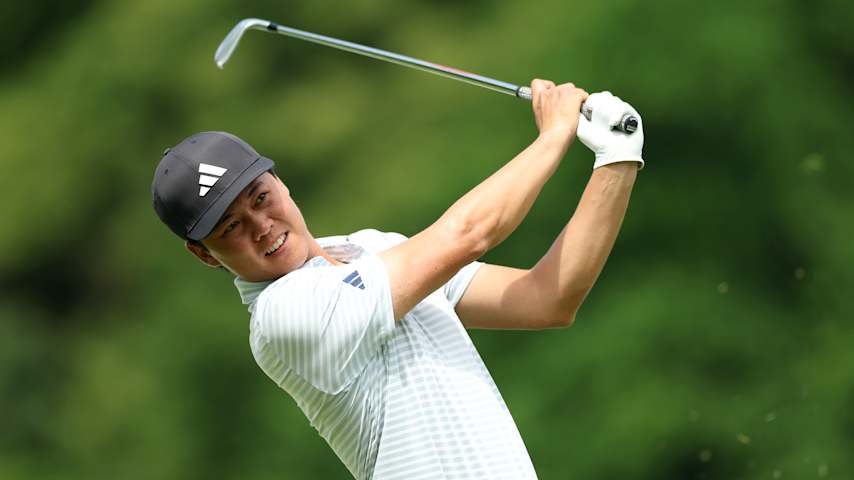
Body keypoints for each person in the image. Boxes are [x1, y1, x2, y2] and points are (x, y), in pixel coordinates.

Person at [150, 80, 644, 480]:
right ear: (205, 255)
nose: (261, 227)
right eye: (231, 227)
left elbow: (548, 298)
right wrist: (553, 135)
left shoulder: (372, 249)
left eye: (260, 198)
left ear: (280, 181)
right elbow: (469, 234)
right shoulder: (283, 316)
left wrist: (617, 158)